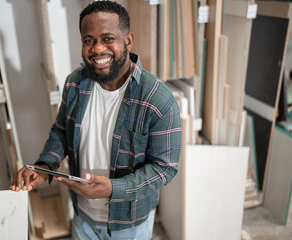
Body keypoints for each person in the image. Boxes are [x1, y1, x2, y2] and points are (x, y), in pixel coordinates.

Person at [10, 1, 181, 239]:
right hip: (83, 215)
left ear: (128, 41)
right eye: (89, 40)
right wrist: (45, 167)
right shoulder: (75, 83)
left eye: (108, 38)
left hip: (129, 224)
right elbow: (61, 131)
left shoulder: (158, 99)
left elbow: (164, 168)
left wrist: (114, 189)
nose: (98, 49)